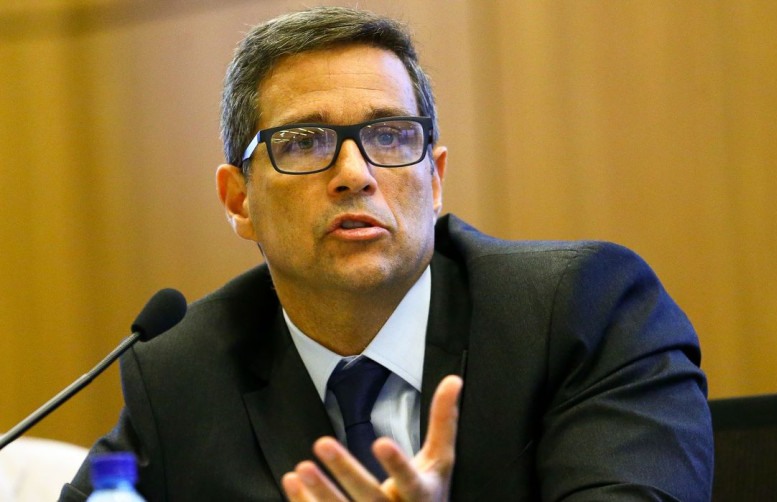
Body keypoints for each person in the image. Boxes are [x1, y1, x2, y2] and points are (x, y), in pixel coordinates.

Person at [60, 6, 713, 501]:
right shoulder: (183, 375)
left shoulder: (582, 314)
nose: (355, 174)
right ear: (239, 201)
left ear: (435, 179)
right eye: (305, 142)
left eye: (391, 135)